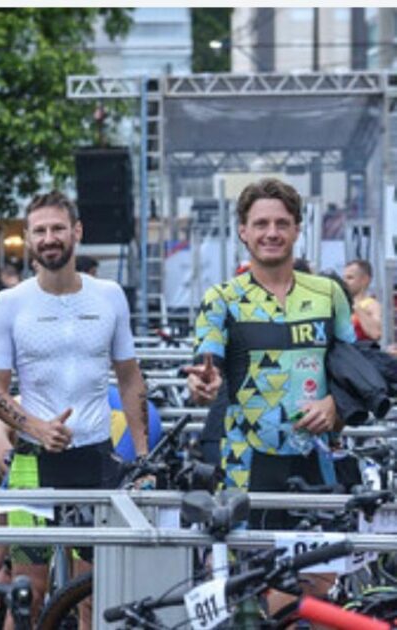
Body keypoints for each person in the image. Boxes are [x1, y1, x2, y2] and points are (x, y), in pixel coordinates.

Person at [184, 178, 354, 608]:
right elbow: (207, 367)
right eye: (260, 223)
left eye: (282, 222)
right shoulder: (221, 299)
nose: (271, 232)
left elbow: (355, 368)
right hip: (248, 465)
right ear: (243, 230)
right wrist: (205, 385)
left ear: (298, 228)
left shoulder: (329, 293)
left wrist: (336, 404)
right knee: (261, 590)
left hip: (318, 460)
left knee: (318, 590)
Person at [0, 190, 149, 625]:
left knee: (95, 593)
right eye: (40, 230)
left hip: (95, 459)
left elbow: (130, 378)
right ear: (30, 238)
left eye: (58, 228)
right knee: (27, 595)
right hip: (32, 465)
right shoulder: (10, 302)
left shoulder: (110, 295)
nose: (50, 237)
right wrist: (36, 427)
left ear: (76, 232)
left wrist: (144, 455)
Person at [342, 259, 382, 342]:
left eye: (350, 278)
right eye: (344, 278)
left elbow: (376, 333)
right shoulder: (341, 303)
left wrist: (357, 308)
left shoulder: (372, 305)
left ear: (365, 280)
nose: (344, 282)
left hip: (361, 352)